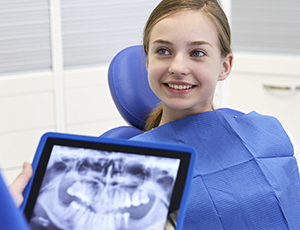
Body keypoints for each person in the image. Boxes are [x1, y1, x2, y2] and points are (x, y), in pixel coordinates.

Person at [9, 0, 300, 229]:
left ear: (225, 65)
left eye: (197, 53)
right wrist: (11, 216)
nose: (177, 66)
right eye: (163, 51)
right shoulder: (114, 168)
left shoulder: (265, 137)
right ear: (147, 61)